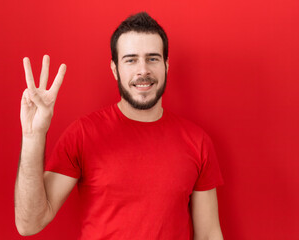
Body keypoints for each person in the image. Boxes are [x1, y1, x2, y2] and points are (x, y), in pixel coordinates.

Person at [15, 12, 224, 240]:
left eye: (152, 58)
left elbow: (208, 235)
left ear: (166, 66)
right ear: (115, 69)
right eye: (131, 59)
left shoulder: (197, 141)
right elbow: (29, 224)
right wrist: (33, 136)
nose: (142, 70)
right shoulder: (83, 134)